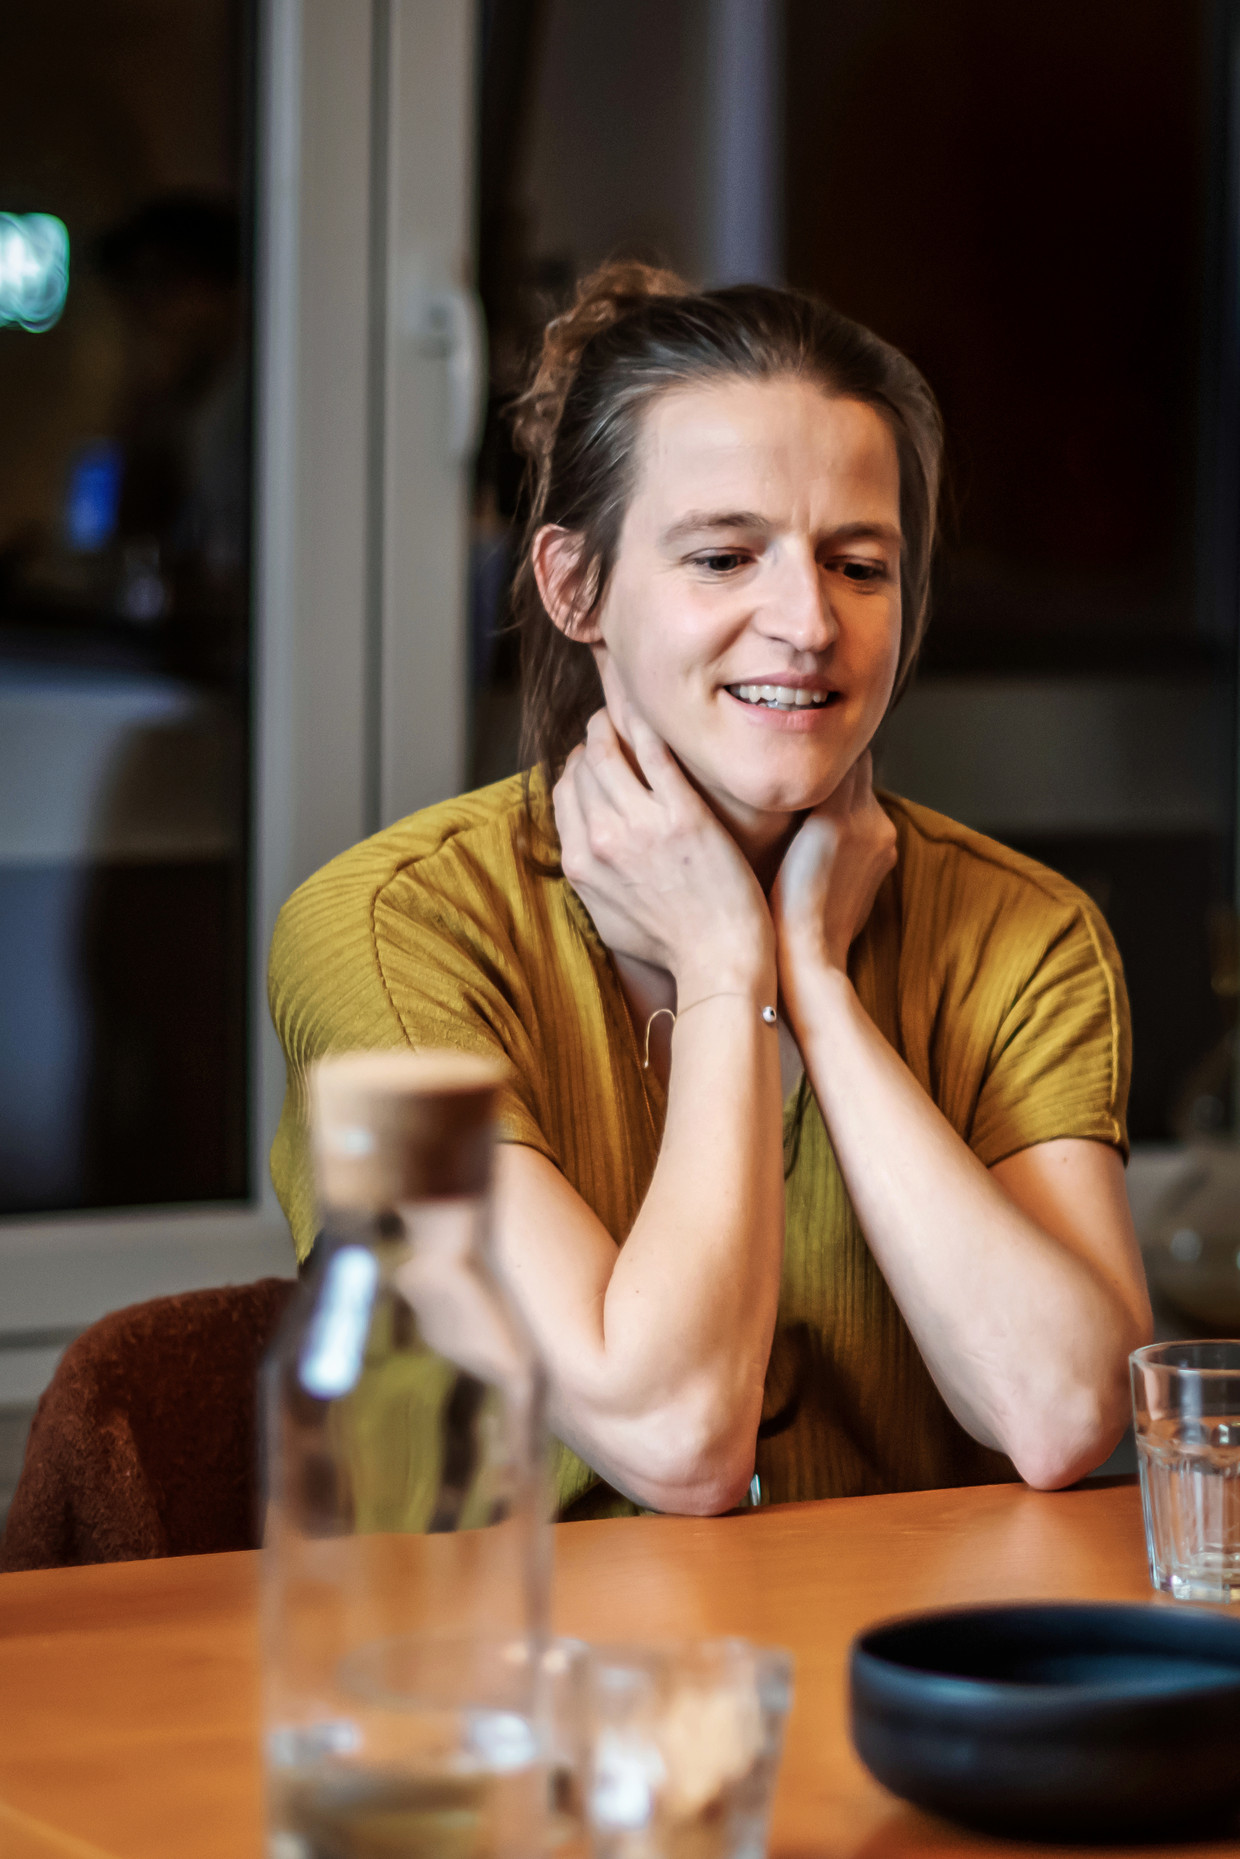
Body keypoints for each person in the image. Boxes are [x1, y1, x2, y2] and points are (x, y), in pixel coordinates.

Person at [269, 263, 1152, 1520]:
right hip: (505, 1695)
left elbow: (1061, 1410)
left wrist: (822, 989)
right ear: (575, 586)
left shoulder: (1026, 932)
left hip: (882, 1687)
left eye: (858, 564)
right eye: (725, 555)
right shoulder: (385, 935)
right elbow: (675, 1435)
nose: (805, 622)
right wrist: (726, 971)